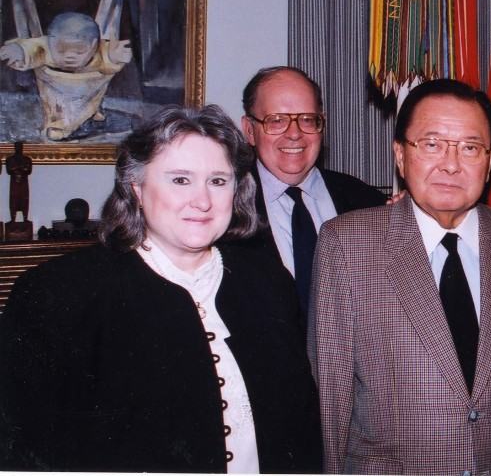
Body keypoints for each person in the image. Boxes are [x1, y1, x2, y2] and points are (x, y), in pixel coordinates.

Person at [0, 105, 322, 472]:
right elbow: (27, 448)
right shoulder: (60, 293)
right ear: (136, 187)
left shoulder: (266, 281)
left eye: (218, 181)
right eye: (180, 180)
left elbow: (301, 426)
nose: (202, 201)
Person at [310, 78, 491, 474]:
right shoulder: (347, 245)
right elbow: (330, 395)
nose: (451, 164)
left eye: (469, 148)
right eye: (431, 144)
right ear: (400, 154)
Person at [239, 66, 384, 315]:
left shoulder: (368, 203)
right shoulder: (223, 208)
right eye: (277, 121)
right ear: (250, 130)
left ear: (322, 124)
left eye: (307, 119)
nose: (294, 134)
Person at [0, 11, 132, 140]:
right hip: (54, 95)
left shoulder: (100, 50)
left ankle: (90, 115)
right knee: (58, 120)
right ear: (50, 42)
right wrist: (19, 51)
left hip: (91, 93)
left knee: (88, 110)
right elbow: (31, 48)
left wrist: (114, 57)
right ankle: (59, 125)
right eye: (61, 50)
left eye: (79, 51)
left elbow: (109, 53)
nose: (69, 56)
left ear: (93, 46)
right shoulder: (44, 47)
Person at [5, 141, 31, 222]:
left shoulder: (27, 159)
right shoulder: (10, 159)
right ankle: (12, 220)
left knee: (25, 199)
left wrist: (16, 168)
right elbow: (9, 170)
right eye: (17, 147)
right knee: (13, 199)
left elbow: (28, 170)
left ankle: (25, 219)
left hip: (23, 182)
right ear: (14, 148)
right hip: (14, 183)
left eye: (20, 147)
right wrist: (20, 168)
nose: (19, 149)